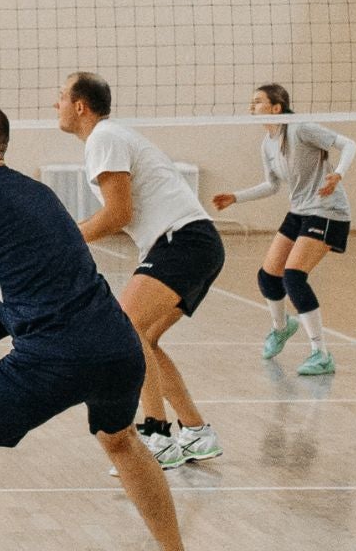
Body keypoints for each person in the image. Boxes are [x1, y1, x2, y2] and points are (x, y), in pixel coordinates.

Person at [0, 102, 181, 551]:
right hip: (119, 348)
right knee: (121, 442)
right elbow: (18, 306)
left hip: (53, 358)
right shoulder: (41, 195)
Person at [60, 72, 227, 470]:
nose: (56, 105)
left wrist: (66, 240)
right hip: (193, 243)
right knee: (144, 338)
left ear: (80, 106)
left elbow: (118, 214)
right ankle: (196, 431)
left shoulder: (104, 137)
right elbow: (113, 213)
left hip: (183, 241)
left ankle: (156, 433)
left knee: (126, 328)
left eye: (60, 97)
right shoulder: (109, 137)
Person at [212, 84, 356, 376]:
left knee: (293, 277)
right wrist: (236, 197)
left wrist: (338, 174)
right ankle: (282, 327)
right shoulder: (267, 143)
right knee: (268, 276)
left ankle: (321, 353)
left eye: (258, 102)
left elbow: (349, 144)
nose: (251, 107)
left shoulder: (300, 128)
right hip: (299, 211)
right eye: (251, 102)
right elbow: (273, 185)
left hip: (328, 211)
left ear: (277, 108)